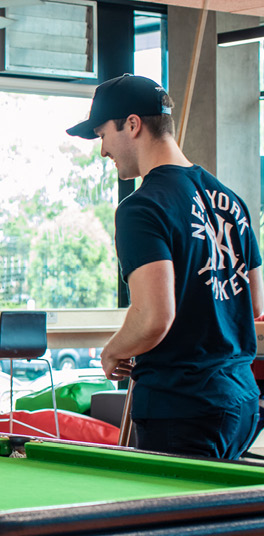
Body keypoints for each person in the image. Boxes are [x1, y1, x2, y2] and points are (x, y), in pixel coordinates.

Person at [67, 74, 264, 459]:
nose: (103, 150)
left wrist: (112, 351)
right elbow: (255, 303)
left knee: (174, 522)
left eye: (103, 134)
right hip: (240, 402)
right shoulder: (231, 200)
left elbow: (154, 317)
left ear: (133, 124)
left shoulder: (142, 207)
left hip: (182, 407)